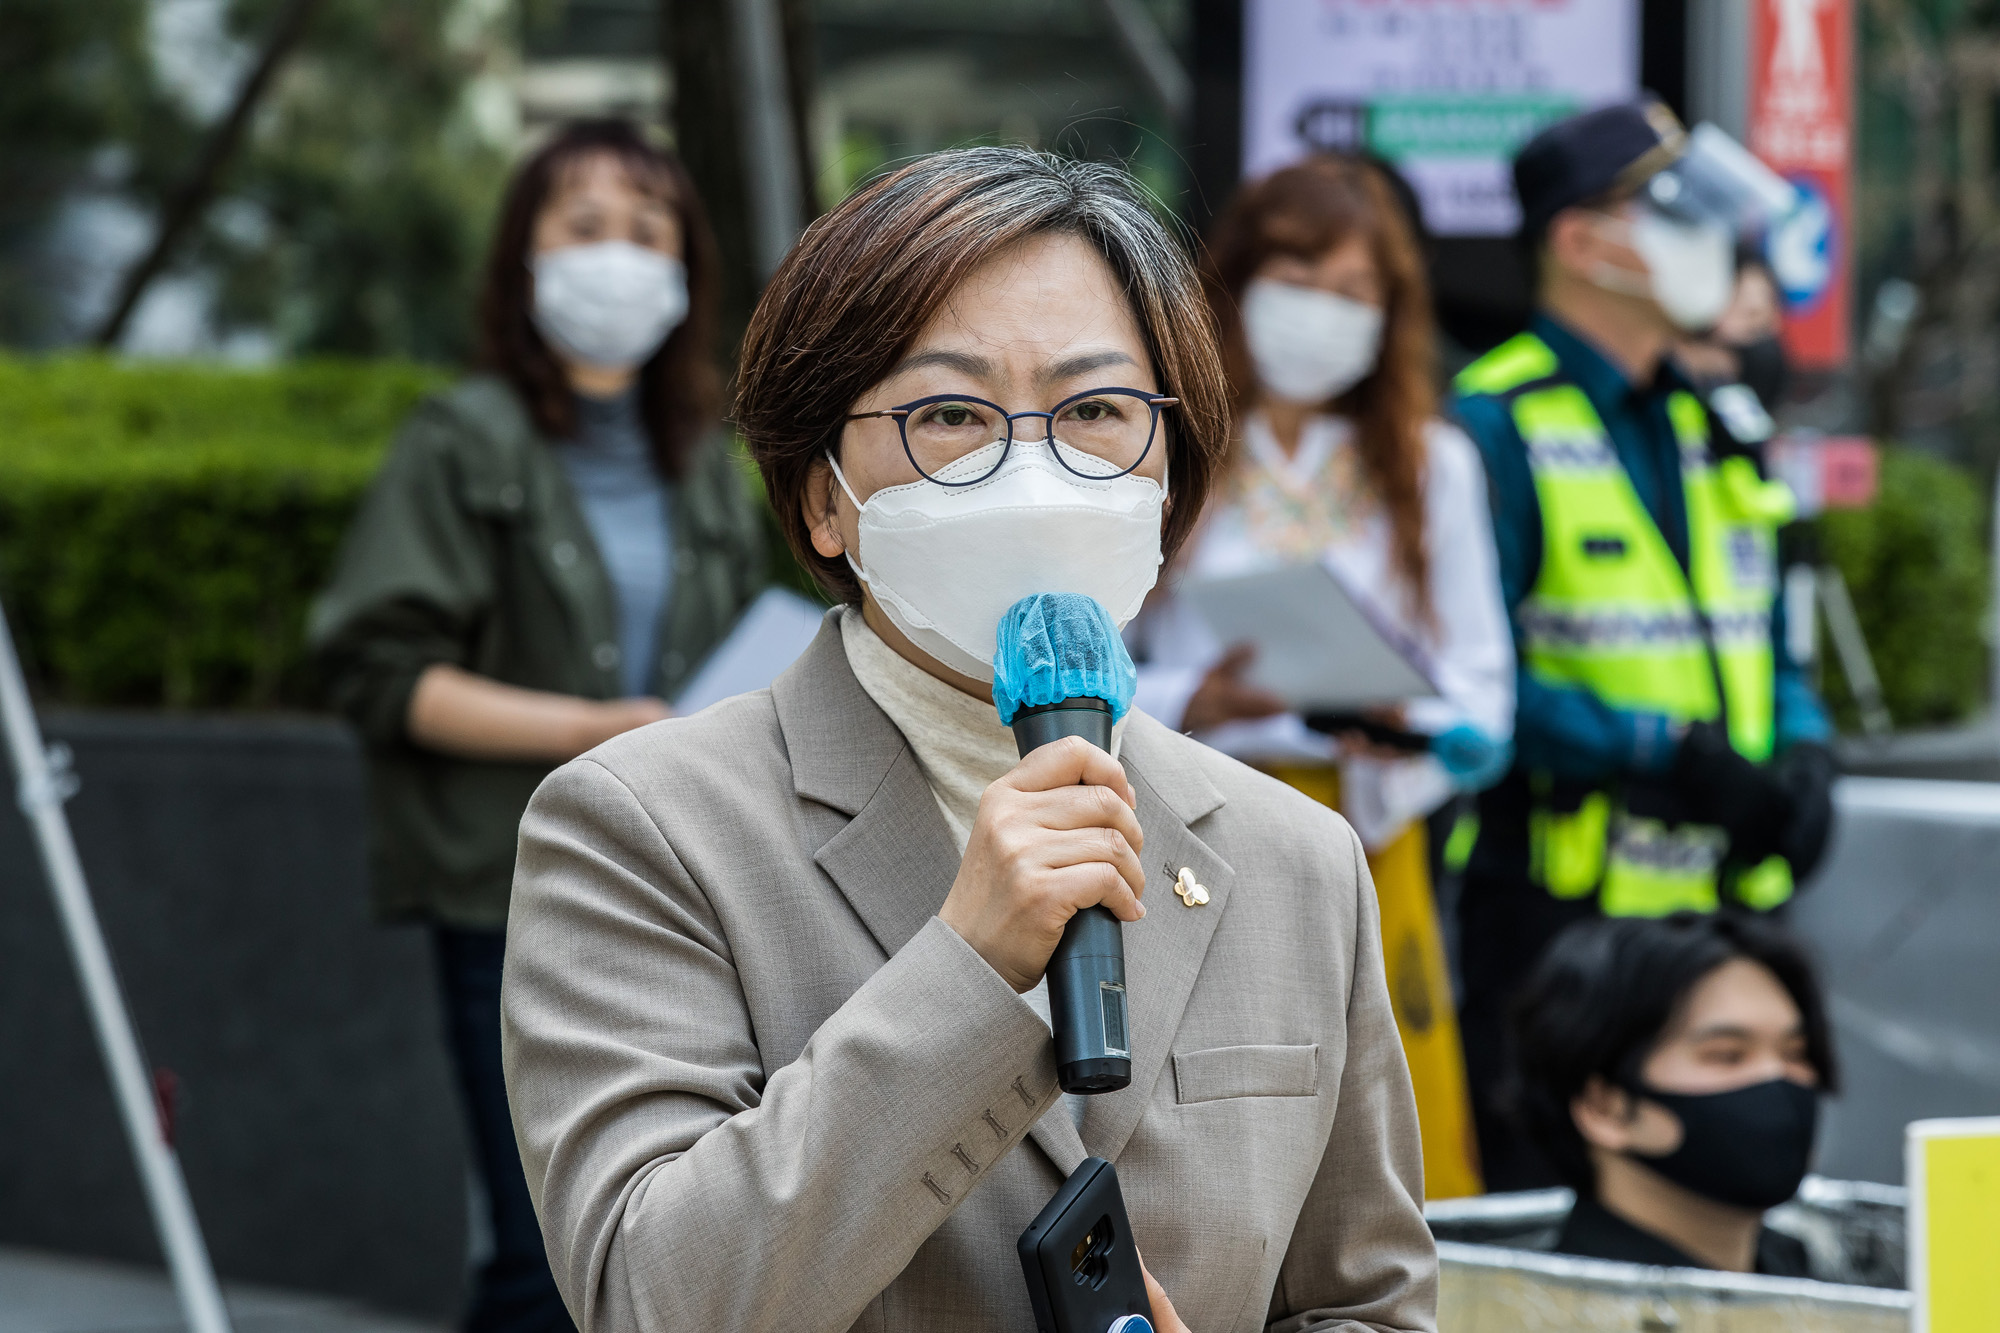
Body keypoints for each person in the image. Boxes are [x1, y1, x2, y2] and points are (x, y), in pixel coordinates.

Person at [500, 146, 1436, 1333]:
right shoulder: (643, 827)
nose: (1037, 471)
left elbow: (1370, 1304)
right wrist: (969, 966)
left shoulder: (1297, 855)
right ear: (821, 497)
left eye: (1095, 410)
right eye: (951, 413)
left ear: (1169, 465)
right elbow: (654, 1298)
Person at [308, 119, 766, 1333]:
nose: (616, 257)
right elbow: (379, 670)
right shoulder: (460, 439)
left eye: (645, 229)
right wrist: (593, 727)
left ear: (685, 269)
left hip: (686, 894)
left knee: (672, 1242)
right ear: (523, 258)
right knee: (538, 1254)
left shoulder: (709, 464)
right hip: (507, 893)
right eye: (582, 227)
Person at [1450, 101, 1839, 1189]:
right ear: (1579, 242)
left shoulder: (1706, 418)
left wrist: (1805, 757)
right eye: (1668, 207)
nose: (1710, 236)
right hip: (1553, 922)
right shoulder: (1490, 424)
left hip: (1719, 912)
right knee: (1562, 1232)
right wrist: (1656, 748)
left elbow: (1764, 637)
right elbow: (1464, 680)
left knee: (1719, 1219)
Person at [1123, 153, 1513, 1199]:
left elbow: (1482, 699)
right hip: (1187, 824)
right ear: (1239, 279)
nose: (1323, 315)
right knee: (1201, 1122)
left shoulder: (1432, 465)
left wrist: (1398, 724)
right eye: (1299, 279)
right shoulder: (1162, 446)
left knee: (1384, 1139)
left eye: (1355, 293)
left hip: (1363, 834)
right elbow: (1083, 661)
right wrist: (1194, 703)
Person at [1510, 912, 1836, 1275]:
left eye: (1795, 1054)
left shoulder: (1817, 1276)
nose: (1777, 1078)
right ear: (1602, 1107)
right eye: (1727, 1055)